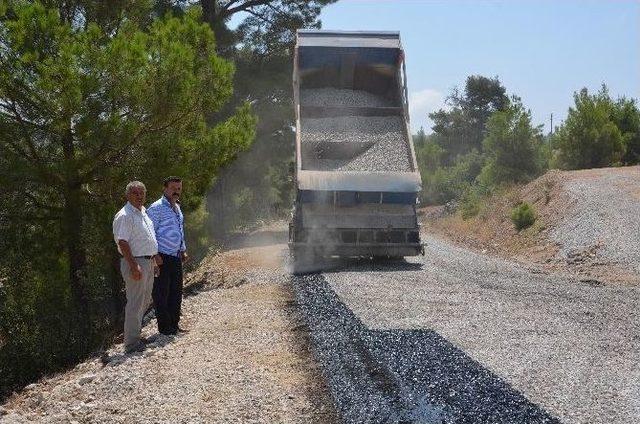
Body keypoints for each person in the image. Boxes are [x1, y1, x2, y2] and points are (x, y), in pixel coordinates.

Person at [112, 181, 158, 353]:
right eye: (135, 193)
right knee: (135, 302)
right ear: (128, 195)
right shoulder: (125, 215)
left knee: (145, 300)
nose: (139, 196)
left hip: (147, 261)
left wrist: (153, 258)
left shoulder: (143, 213)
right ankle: (131, 344)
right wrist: (133, 265)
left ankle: (135, 335)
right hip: (135, 262)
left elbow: (147, 238)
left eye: (142, 193)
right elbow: (122, 242)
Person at [147, 176, 189, 335]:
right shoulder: (156, 208)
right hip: (162, 257)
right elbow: (149, 234)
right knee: (161, 294)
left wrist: (183, 249)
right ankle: (165, 329)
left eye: (179, 188)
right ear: (165, 189)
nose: (176, 191)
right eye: (173, 188)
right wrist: (155, 254)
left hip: (176, 256)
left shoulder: (177, 208)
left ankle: (174, 325)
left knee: (176, 293)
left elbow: (180, 230)